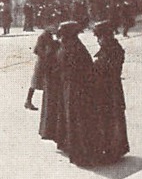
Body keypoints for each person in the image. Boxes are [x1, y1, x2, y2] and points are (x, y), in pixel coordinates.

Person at [55, 20, 98, 167]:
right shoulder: (73, 47)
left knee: (77, 120)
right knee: (73, 119)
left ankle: (80, 153)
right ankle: (73, 148)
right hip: (71, 89)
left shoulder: (72, 48)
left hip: (76, 90)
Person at [92, 20, 129, 163]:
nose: (98, 41)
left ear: (106, 36)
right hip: (108, 87)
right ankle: (112, 147)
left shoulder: (113, 50)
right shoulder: (110, 48)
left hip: (110, 88)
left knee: (111, 117)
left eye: (99, 37)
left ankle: (113, 149)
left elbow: (106, 69)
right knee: (109, 117)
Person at [25, 27, 57, 111]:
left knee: (42, 83)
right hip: (42, 64)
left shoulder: (49, 36)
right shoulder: (42, 37)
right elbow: (37, 50)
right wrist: (46, 53)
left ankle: (30, 101)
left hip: (47, 63)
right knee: (35, 83)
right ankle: (28, 101)